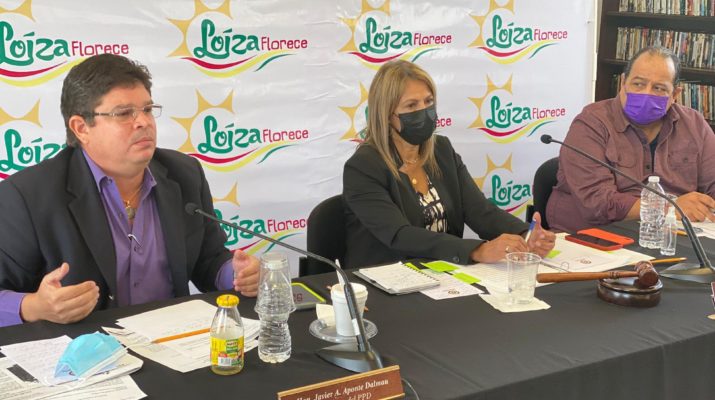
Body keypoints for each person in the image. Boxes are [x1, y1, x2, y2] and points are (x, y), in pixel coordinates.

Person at [0, 54, 259, 327]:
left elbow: (208, 260)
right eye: (124, 113)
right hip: (87, 347)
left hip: (175, 339)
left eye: (147, 109)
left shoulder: (184, 173)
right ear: (81, 128)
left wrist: (236, 274)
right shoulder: (27, 196)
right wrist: (34, 307)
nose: (143, 122)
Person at [342, 60, 555, 268]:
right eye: (411, 105)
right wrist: (477, 250)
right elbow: (399, 234)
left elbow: (479, 211)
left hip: (444, 274)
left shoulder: (441, 150)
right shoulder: (363, 167)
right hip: (387, 276)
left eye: (428, 101)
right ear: (387, 115)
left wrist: (525, 235)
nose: (424, 111)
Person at [547, 46, 715, 233]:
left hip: (673, 235)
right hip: (593, 236)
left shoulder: (694, 124)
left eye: (659, 88)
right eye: (638, 84)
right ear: (623, 83)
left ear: (675, 95)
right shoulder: (591, 123)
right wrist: (668, 208)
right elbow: (597, 202)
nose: (646, 94)